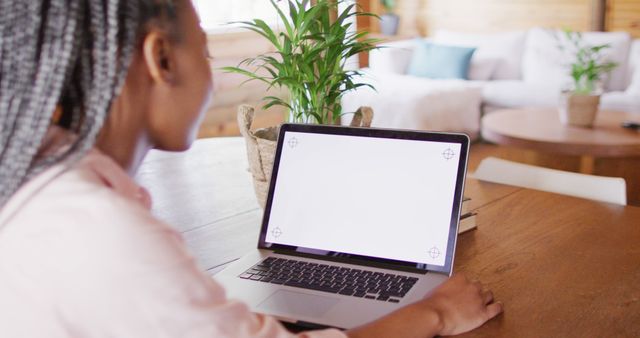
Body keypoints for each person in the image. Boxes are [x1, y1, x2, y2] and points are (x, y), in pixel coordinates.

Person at [0, 0, 503, 337]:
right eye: (206, 47)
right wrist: (434, 312)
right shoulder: (100, 228)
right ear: (162, 60)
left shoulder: (37, 182)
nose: (213, 74)